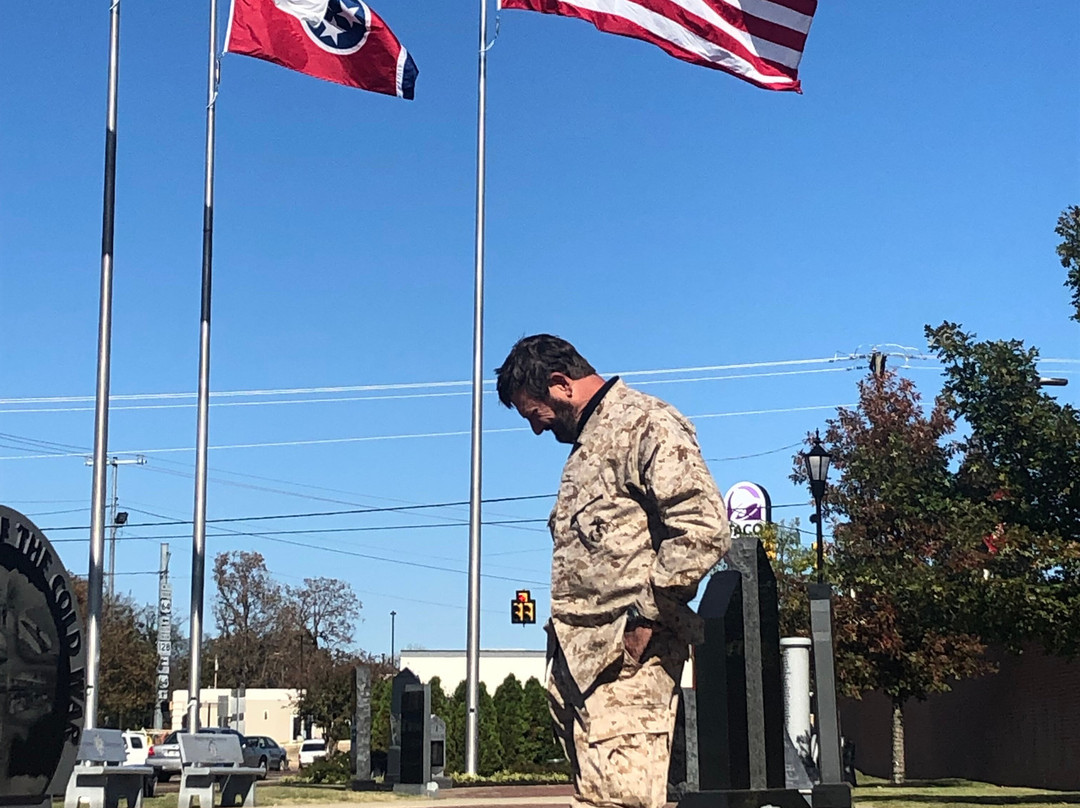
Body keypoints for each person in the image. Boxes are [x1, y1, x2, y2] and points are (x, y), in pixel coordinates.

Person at [496, 334, 730, 808]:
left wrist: (645, 620)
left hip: (629, 665)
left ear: (560, 385)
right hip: (583, 669)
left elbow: (703, 528)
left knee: (622, 802)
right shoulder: (588, 447)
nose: (536, 431)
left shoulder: (646, 425)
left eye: (532, 414)